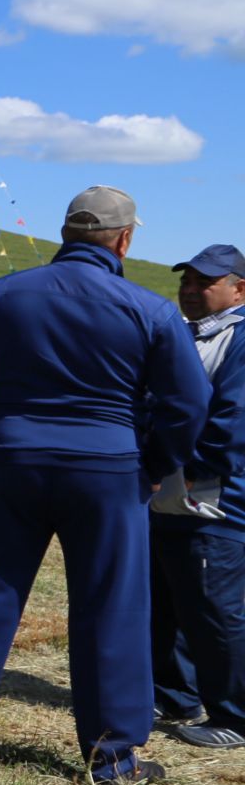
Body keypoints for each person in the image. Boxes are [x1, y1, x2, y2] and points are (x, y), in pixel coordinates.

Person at [0, 186, 208, 783]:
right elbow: (189, 401)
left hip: (14, 458)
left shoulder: (0, 296)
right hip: (107, 468)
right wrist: (154, 465)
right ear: (125, 240)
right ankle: (112, 756)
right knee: (111, 608)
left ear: (66, 234)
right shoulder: (148, 309)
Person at [148, 243, 245, 749]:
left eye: (204, 282)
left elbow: (231, 424)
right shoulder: (184, 336)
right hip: (169, 491)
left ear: (238, 288)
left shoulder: (241, 338)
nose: (189, 290)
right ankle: (174, 693)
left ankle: (234, 714)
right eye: (186, 280)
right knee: (166, 595)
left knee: (214, 605)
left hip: (216, 496)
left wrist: (181, 468)